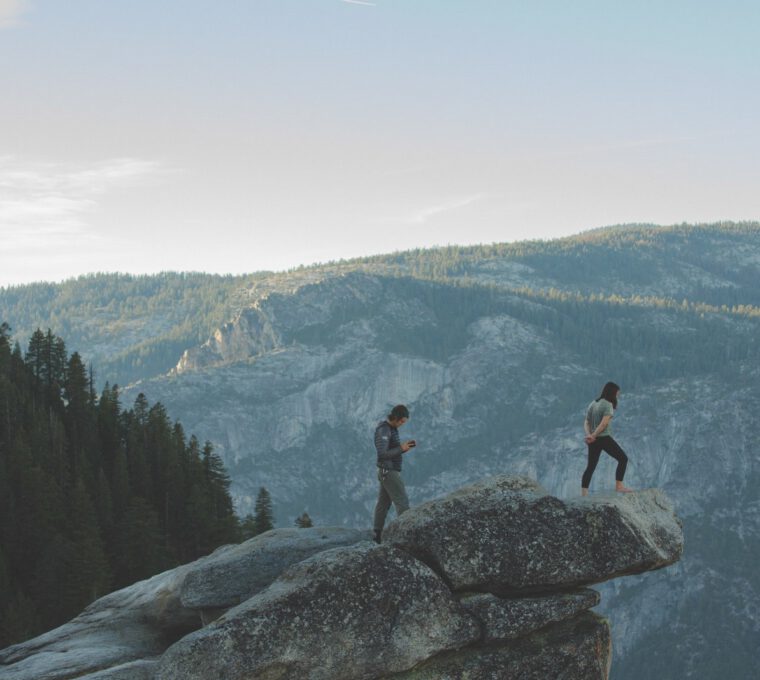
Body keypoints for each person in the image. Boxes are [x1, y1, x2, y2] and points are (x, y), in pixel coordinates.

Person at [372, 404, 416, 543]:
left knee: (383, 503)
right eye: (402, 421)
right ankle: (407, 534)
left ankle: (376, 535)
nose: (402, 424)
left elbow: (390, 450)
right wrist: (401, 448)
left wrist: (403, 448)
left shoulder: (391, 429)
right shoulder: (384, 430)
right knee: (402, 501)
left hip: (387, 471)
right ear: (396, 417)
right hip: (388, 471)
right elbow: (382, 454)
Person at [582, 382, 633, 496]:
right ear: (612, 393)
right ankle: (619, 486)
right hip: (604, 438)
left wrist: (589, 435)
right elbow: (604, 424)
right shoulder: (608, 405)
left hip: (593, 441)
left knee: (590, 467)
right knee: (623, 459)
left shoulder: (593, 403)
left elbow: (586, 422)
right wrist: (594, 435)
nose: (617, 396)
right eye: (617, 394)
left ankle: (584, 493)